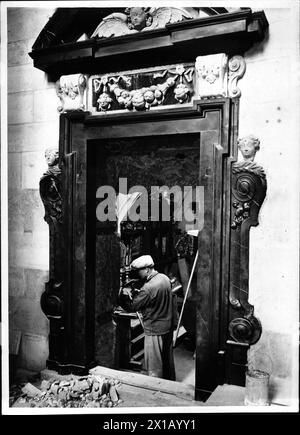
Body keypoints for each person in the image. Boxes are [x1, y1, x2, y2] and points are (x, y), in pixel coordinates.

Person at [119, 255, 177, 380]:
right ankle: (170, 383)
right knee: (167, 361)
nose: (138, 274)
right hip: (167, 326)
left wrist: (122, 298)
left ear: (147, 269)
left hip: (154, 329)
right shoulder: (164, 278)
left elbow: (132, 306)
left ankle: (156, 391)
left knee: (154, 366)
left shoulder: (149, 287)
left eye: (139, 271)